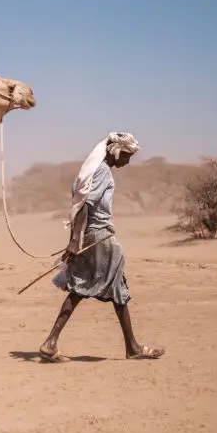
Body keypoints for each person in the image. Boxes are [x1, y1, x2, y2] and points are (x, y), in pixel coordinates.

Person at [38, 132, 165, 363]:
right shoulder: (102, 172)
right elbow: (85, 203)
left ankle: (53, 342)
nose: (127, 161)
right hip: (101, 238)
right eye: (127, 155)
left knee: (97, 290)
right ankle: (132, 347)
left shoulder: (95, 170)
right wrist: (75, 241)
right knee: (102, 290)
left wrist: (76, 239)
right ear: (116, 151)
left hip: (96, 236)